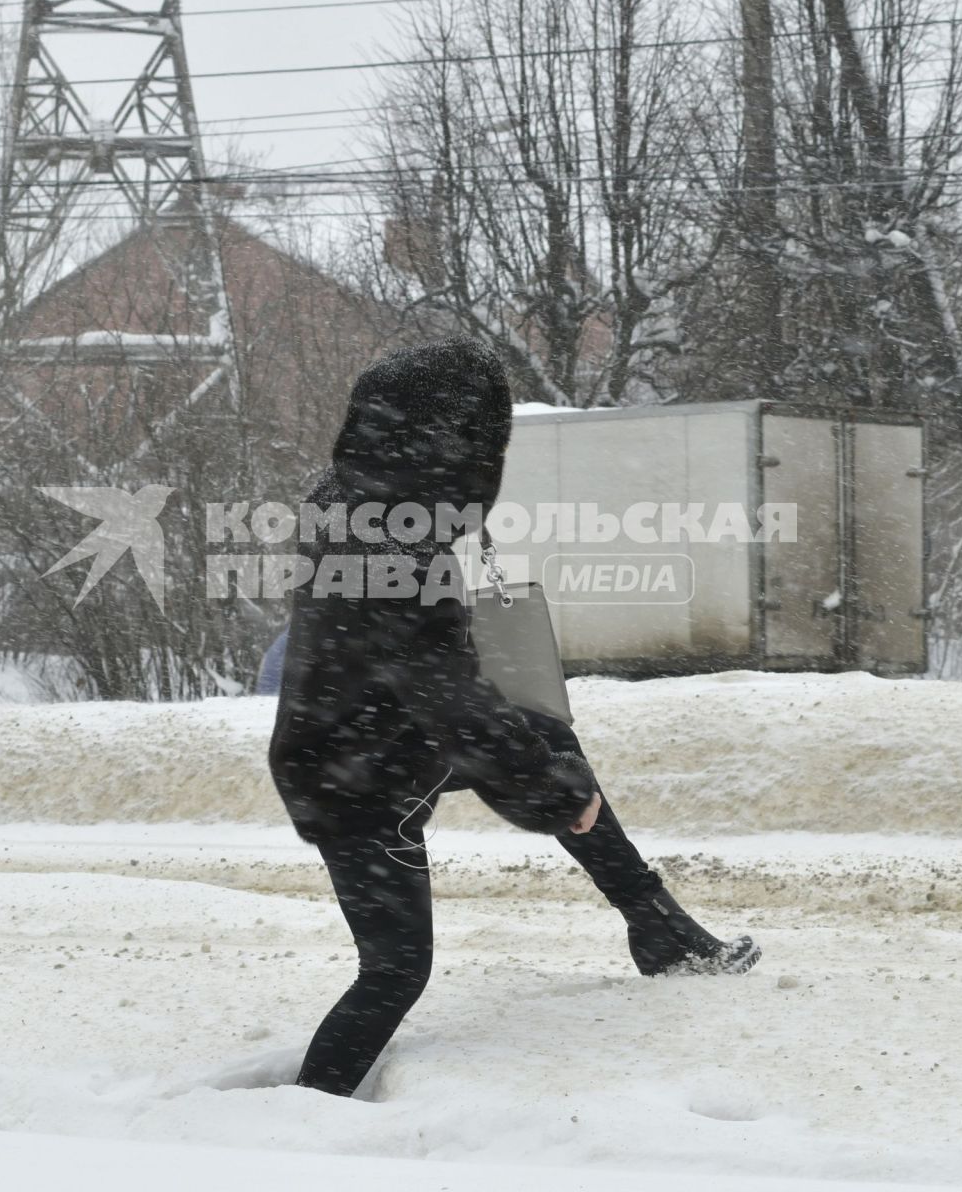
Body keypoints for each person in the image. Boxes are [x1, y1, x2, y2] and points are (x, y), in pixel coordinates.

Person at [267, 341, 758, 1099]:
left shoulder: (353, 495)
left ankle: (657, 927)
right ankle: (302, 1115)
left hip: (372, 745)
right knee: (396, 969)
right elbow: (448, 696)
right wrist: (551, 794)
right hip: (353, 775)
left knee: (549, 738)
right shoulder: (391, 531)